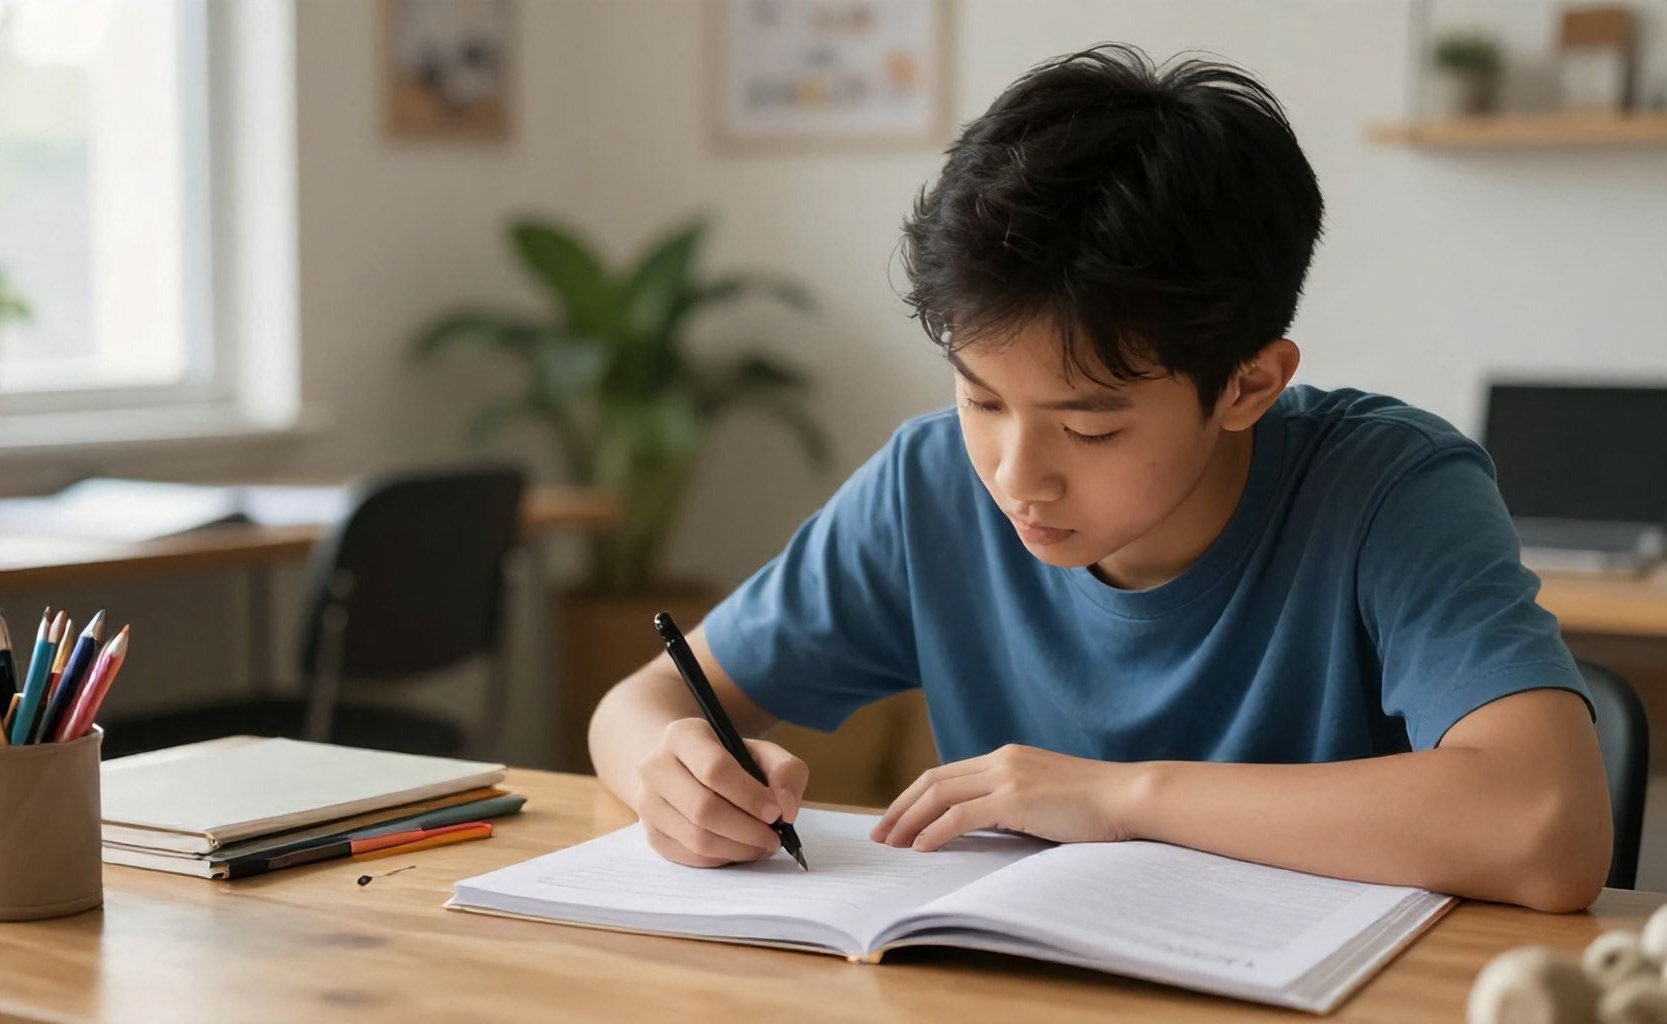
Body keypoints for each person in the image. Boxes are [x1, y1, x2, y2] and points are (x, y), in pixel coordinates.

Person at [588, 44, 1611, 912]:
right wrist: (672, 773)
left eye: (1088, 426)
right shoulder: (929, 485)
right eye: (981, 399)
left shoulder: (1389, 488)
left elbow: (1546, 824)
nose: (1014, 476)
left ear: (1248, 384)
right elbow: (637, 704)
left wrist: (1120, 798)